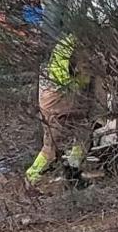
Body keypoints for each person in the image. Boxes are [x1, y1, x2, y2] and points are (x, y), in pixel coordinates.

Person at [26, 32, 93, 184]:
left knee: (78, 134)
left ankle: (72, 172)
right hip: (60, 97)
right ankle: (32, 177)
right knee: (56, 146)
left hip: (49, 96)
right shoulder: (78, 49)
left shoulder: (65, 44)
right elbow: (83, 78)